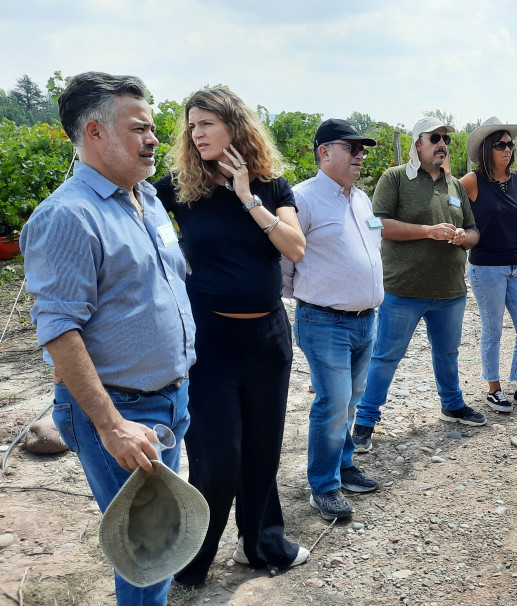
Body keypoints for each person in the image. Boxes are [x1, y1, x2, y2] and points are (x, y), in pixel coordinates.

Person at [20, 71, 196, 605]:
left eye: (152, 127)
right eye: (139, 128)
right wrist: (112, 425)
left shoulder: (145, 198)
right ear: (94, 132)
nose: (154, 139)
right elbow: (59, 330)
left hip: (168, 399)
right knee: (148, 549)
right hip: (121, 410)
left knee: (157, 539)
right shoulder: (68, 216)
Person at [155, 88, 309, 585]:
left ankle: (259, 543)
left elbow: (295, 248)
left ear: (235, 126)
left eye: (206, 123)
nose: (196, 133)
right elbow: (134, 219)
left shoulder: (270, 183)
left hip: (268, 338)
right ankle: (191, 562)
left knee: (263, 449)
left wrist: (247, 197)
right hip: (211, 342)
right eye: (192, 126)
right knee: (217, 457)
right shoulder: (178, 187)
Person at [352, 117, 486, 453]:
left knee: (448, 353)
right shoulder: (395, 177)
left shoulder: (455, 186)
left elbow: (474, 231)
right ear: (417, 144)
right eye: (435, 138)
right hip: (403, 289)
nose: (443, 144)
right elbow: (377, 224)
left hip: (450, 290)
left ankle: (452, 405)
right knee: (386, 357)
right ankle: (365, 421)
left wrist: (463, 236)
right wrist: (428, 231)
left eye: (446, 140)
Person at [281, 119, 381, 521]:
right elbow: (286, 262)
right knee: (333, 401)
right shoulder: (302, 198)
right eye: (351, 148)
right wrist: (313, 296)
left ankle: (343, 463)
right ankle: (323, 486)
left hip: (365, 320)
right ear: (324, 152)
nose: (360, 155)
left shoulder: (361, 198)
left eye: (362, 149)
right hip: (324, 321)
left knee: (351, 399)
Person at [461, 117, 517, 413]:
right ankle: (494, 390)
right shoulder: (471, 182)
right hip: (486, 268)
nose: (507, 149)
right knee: (493, 330)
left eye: (510, 144)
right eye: (500, 145)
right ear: (486, 149)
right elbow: (450, 211)